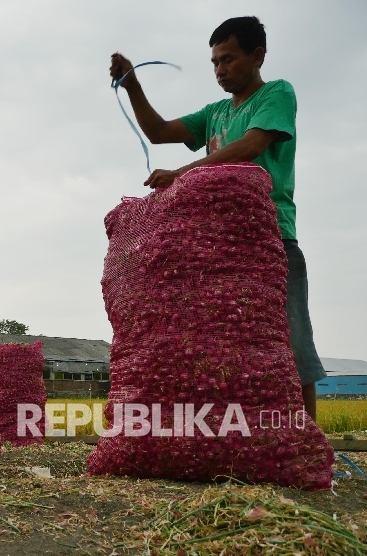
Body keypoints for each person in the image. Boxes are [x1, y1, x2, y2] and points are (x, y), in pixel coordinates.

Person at [109, 16, 326, 420]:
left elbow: (251, 145)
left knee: (291, 343)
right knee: (221, 349)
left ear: (257, 55)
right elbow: (157, 131)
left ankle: (307, 439)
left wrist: (181, 173)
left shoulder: (276, 94)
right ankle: (235, 434)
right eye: (214, 62)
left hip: (272, 238)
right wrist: (133, 85)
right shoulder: (215, 113)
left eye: (228, 59)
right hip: (220, 249)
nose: (220, 70)